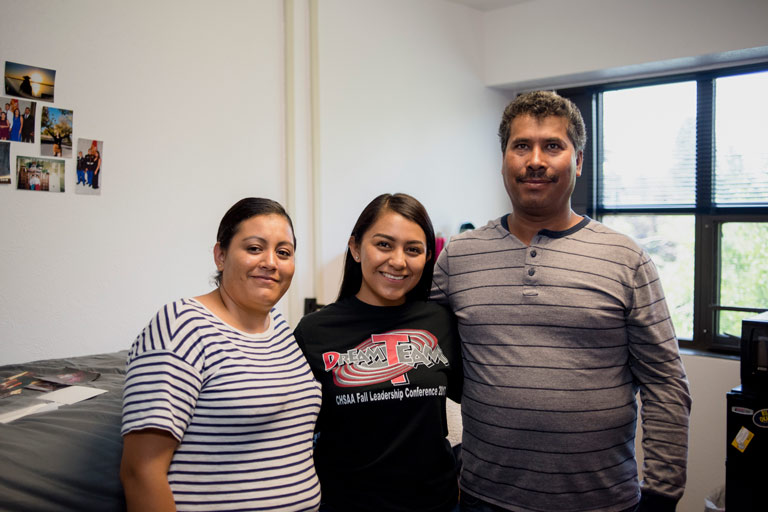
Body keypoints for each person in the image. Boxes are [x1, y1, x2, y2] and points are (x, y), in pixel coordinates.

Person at [431, 91, 692, 512]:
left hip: (602, 502)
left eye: (553, 145)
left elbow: (665, 383)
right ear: (503, 160)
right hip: (484, 498)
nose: (536, 160)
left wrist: (662, 493)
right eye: (522, 146)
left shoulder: (626, 258)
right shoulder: (458, 257)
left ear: (579, 161)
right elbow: (412, 344)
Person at [120, 198, 322, 512]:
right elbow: (140, 472)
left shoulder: (280, 328)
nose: (271, 262)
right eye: (254, 248)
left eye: (284, 252)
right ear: (221, 255)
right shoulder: (181, 325)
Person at [294, 193, 463, 512]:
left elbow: (484, 403)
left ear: (428, 257)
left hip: (434, 504)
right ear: (356, 248)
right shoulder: (313, 332)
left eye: (413, 249)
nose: (398, 261)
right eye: (384, 244)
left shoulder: (441, 322)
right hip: (346, 504)